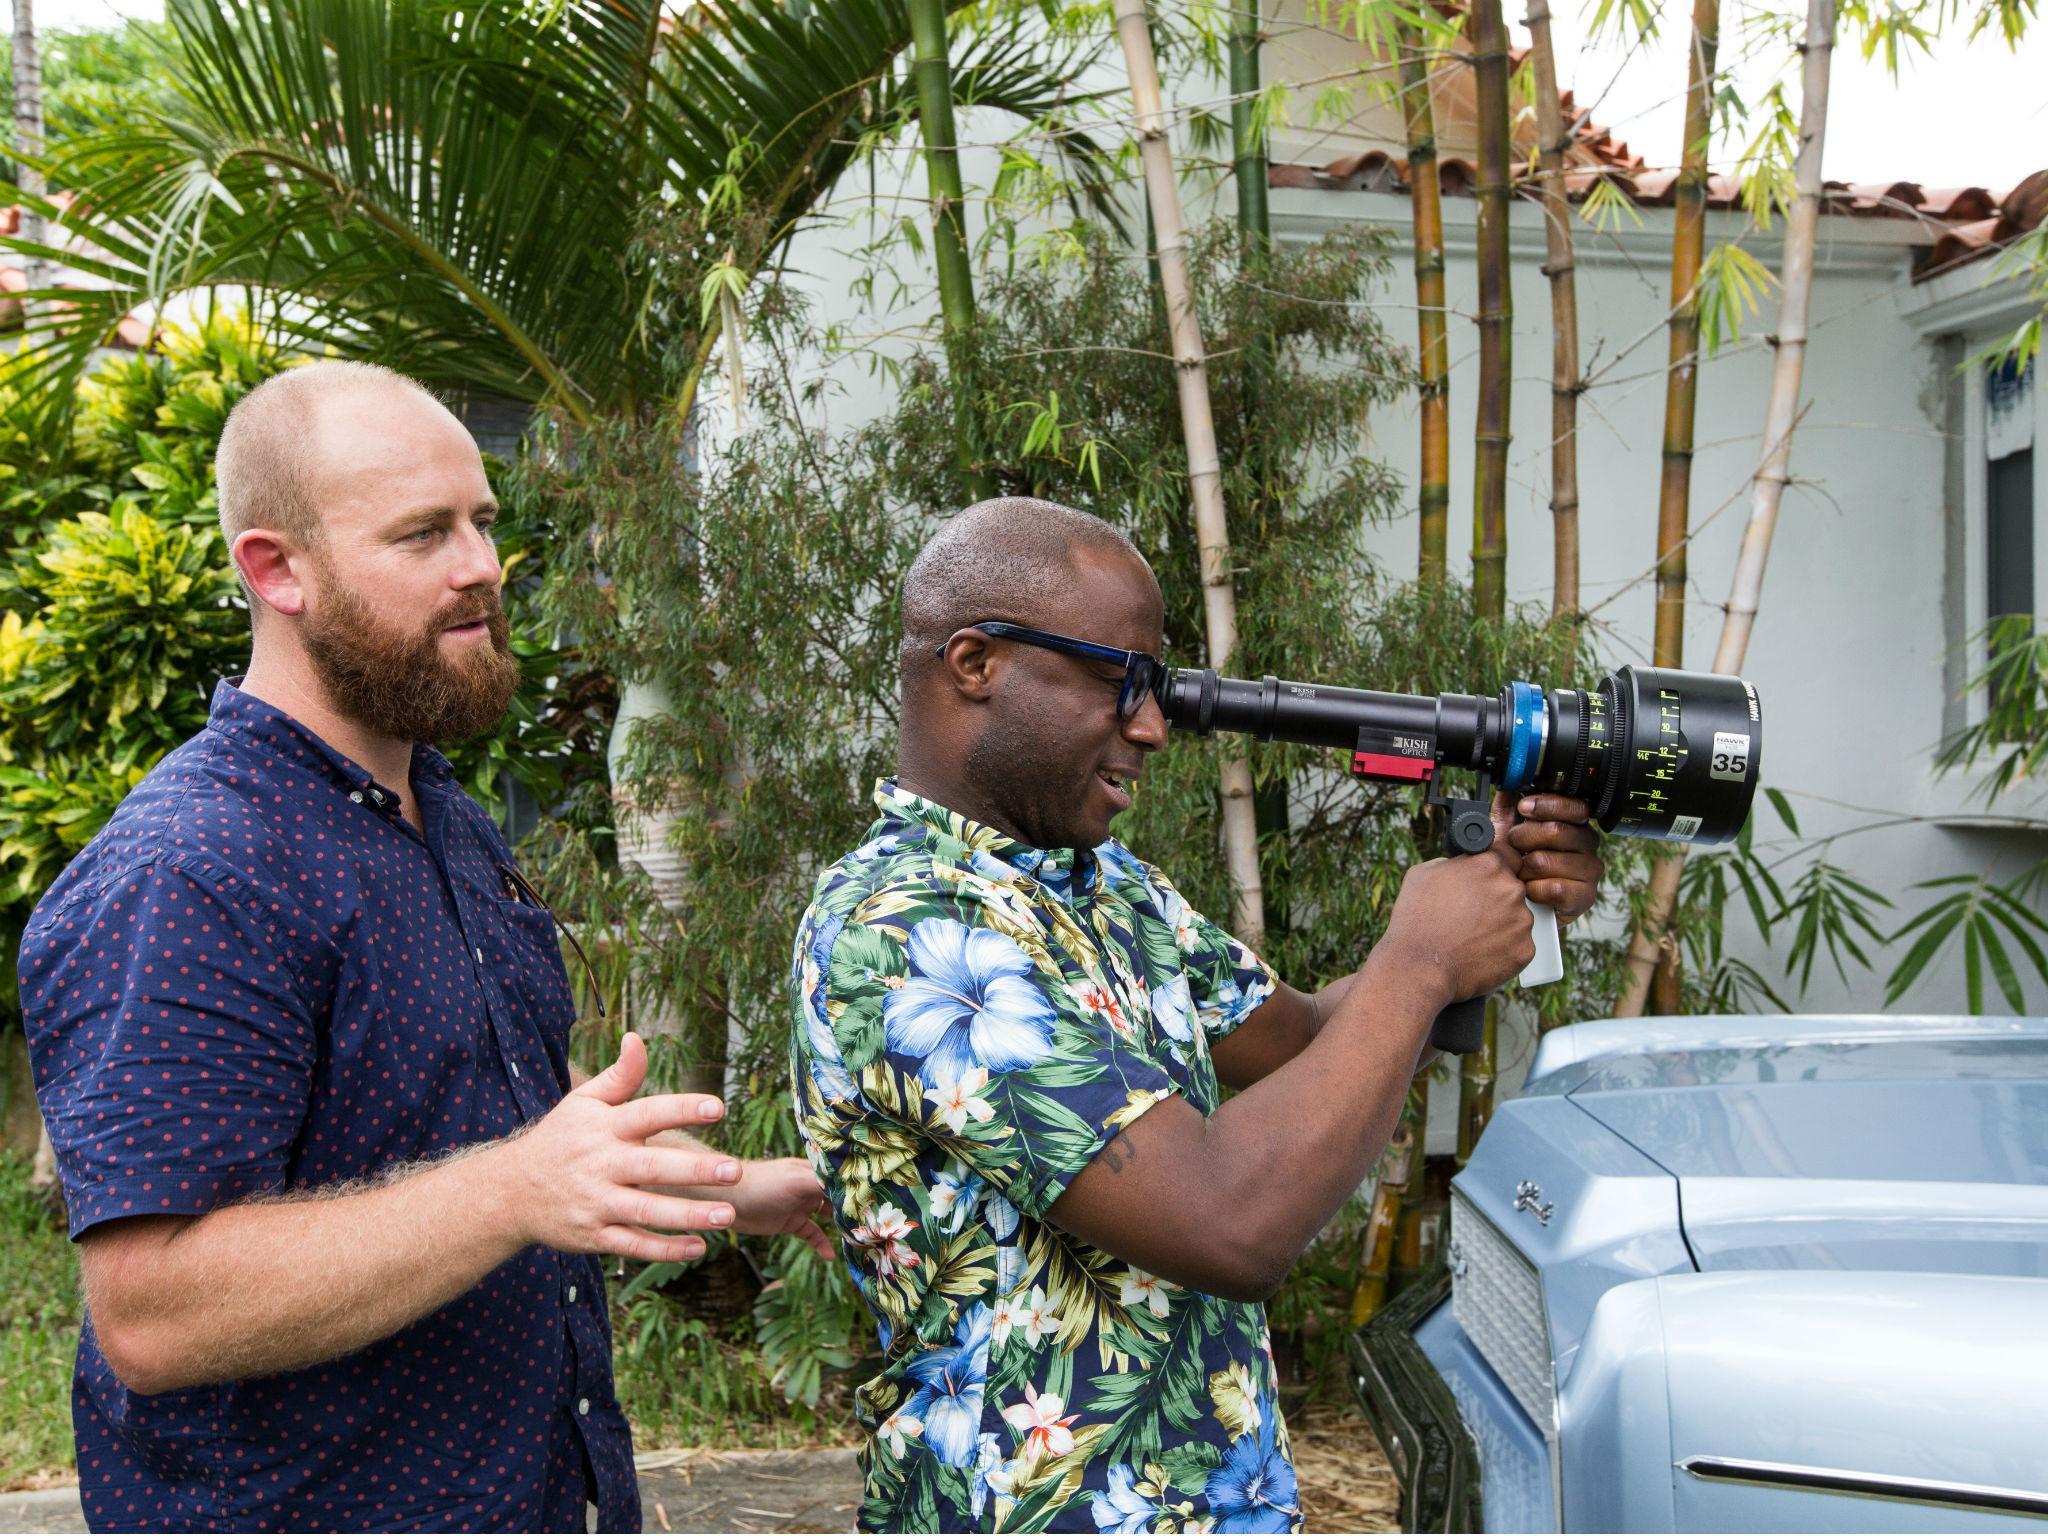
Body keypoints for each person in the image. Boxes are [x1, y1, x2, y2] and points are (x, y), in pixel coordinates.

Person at [19, 362, 831, 1533]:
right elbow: (153, 1313)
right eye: (421, 534)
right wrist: (517, 1188)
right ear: (275, 569)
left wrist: (732, 1192)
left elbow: (470, 1111)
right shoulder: (188, 874)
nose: (481, 570)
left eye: (483, 523)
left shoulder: (434, 807)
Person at [788, 498, 1605, 1533]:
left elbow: (1313, 1043)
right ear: (974, 662)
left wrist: (1493, 901)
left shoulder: (1098, 886)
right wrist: (1419, 956)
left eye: (1156, 686)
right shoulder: (903, 929)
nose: (1150, 725)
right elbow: (1226, 1219)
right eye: (1117, 679)